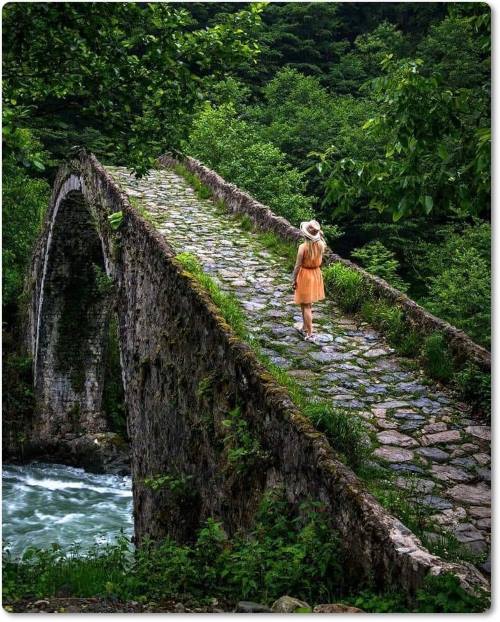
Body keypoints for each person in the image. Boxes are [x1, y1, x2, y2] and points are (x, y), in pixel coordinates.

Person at [292, 219, 326, 341]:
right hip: (316, 273)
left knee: (306, 305)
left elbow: (297, 266)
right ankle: (304, 327)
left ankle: (310, 333)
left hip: (305, 275)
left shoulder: (303, 247)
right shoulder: (321, 245)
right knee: (306, 303)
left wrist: (294, 279)